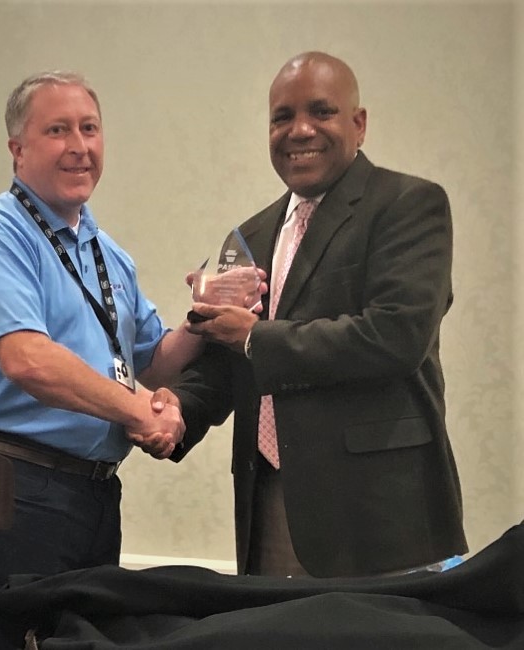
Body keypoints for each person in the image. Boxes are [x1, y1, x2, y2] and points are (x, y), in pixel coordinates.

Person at [158, 51, 468, 579]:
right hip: (270, 504)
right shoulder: (251, 235)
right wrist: (175, 412)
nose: (299, 130)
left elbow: (394, 336)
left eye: (320, 112)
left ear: (359, 124)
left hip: (382, 515)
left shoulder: (408, 205)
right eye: (282, 117)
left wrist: (255, 337)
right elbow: (229, 363)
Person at [0, 71, 202, 650]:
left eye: (89, 128)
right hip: (12, 490)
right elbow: (28, 360)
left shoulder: (109, 254)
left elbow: (153, 363)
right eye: (57, 130)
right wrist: (142, 411)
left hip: (94, 493)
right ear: (18, 150)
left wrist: (204, 317)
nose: (79, 145)